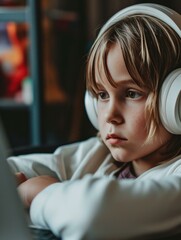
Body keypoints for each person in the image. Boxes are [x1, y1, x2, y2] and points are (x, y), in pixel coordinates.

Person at [8, 3, 181, 240]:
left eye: (131, 93)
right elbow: (16, 170)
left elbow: (90, 214)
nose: (110, 115)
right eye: (102, 95)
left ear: (175, 100)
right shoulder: (98, 155)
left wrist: (38, 194)